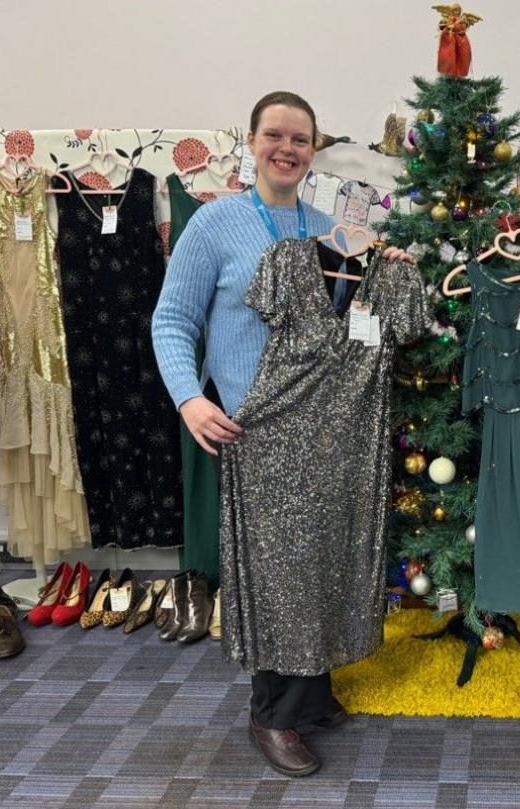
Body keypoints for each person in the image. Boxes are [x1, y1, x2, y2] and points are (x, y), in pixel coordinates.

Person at [151, 90, 412, 777]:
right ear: (252, 140)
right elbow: (171, 320)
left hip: (327, 428)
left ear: (313, 149)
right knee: (277, 574)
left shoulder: (329, 225)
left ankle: (313, 691)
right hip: (259, 427)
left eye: (301, 139)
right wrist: (189, 397)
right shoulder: (215, 225)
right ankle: (272, 713)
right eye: (276, 135)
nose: (287, 149)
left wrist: (394, 266)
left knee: (320, 559)